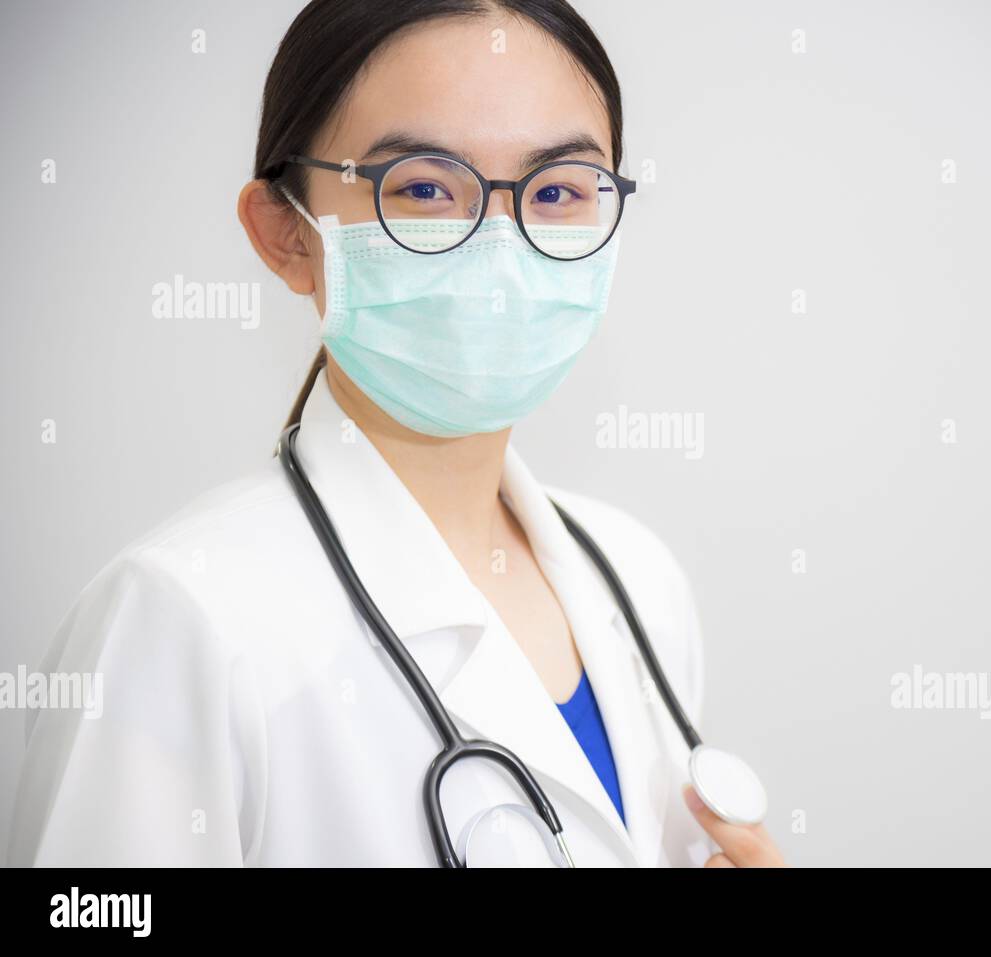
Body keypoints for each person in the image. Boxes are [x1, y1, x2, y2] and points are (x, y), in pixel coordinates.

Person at [7, 0, 784, 868]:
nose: (500, 247)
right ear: (286, 234)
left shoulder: (640, 577)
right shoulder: (176, 620)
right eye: (422, 188)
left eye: (559, 191)